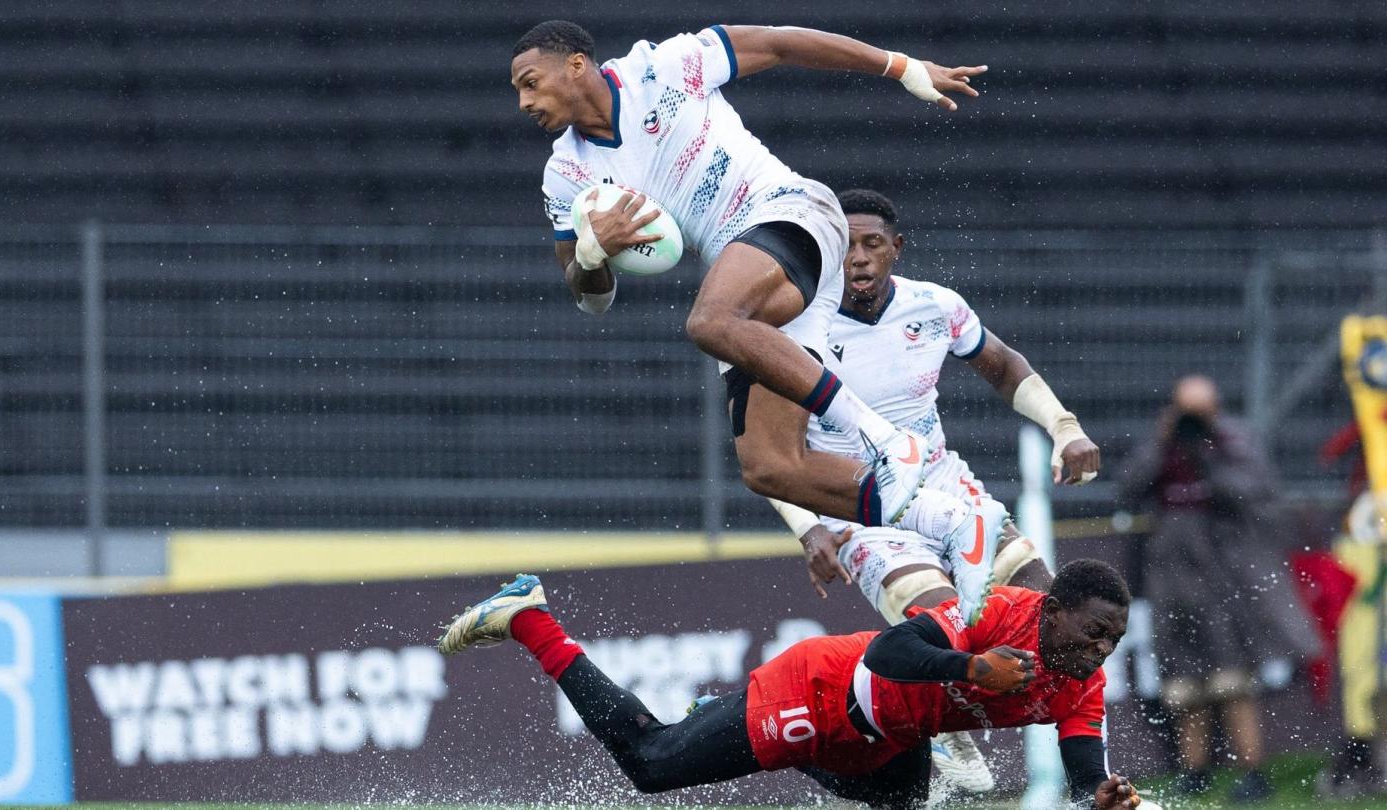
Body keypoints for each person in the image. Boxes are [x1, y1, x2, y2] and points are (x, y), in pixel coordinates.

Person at [514, 20, 987, 530]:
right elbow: (591, 299)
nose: (523, 102)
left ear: (577, 65)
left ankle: (886, 440)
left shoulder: (662, 68)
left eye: (531, 82)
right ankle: (952, 523)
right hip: (757, 276)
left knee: (709, 322)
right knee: (772, 468)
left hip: (792, 212)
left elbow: (779, 43)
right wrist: (590, 254)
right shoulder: (566, 175)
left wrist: (901, 66)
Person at [747, 188, 1099, 793]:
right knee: (936, 617)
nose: (857, 258)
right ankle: (944, 732)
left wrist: (1064, 428)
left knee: (1048, 605)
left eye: (872, 244)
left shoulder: (935, 307)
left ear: (896, 249)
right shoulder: (794, 327)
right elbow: (768, 448)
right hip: (855, 501)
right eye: (844, 245)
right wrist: (808, 527)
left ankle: (1089, 771)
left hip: (944, 483)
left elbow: (1004, 364)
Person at [437, 559, 1144, 810]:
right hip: (824, 692)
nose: (1100, 651)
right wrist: (970, 666)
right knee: (652, 766)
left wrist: (1102, 798)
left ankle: (725, 713)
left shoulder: (1080, 683)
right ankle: (530, 618)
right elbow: (893, 650)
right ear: (1051, 611)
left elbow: (1086, 776)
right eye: (1092, 633)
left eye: (1112, 640)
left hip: (895, 736)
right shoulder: (997, 611)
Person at [1118, 374, 1320, 802]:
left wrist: (1211, 455)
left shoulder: (1233, 441)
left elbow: (1257, 491)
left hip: (1222, 572)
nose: (1193, 421)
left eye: (1201, 412)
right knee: (1181, 679)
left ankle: (1252, 770)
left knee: (1233, 678)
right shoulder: (1163, 443)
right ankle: (1194, 770)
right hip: (1170, 575)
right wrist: (1163, 442)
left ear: (1216, 409)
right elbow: (1129, 488)